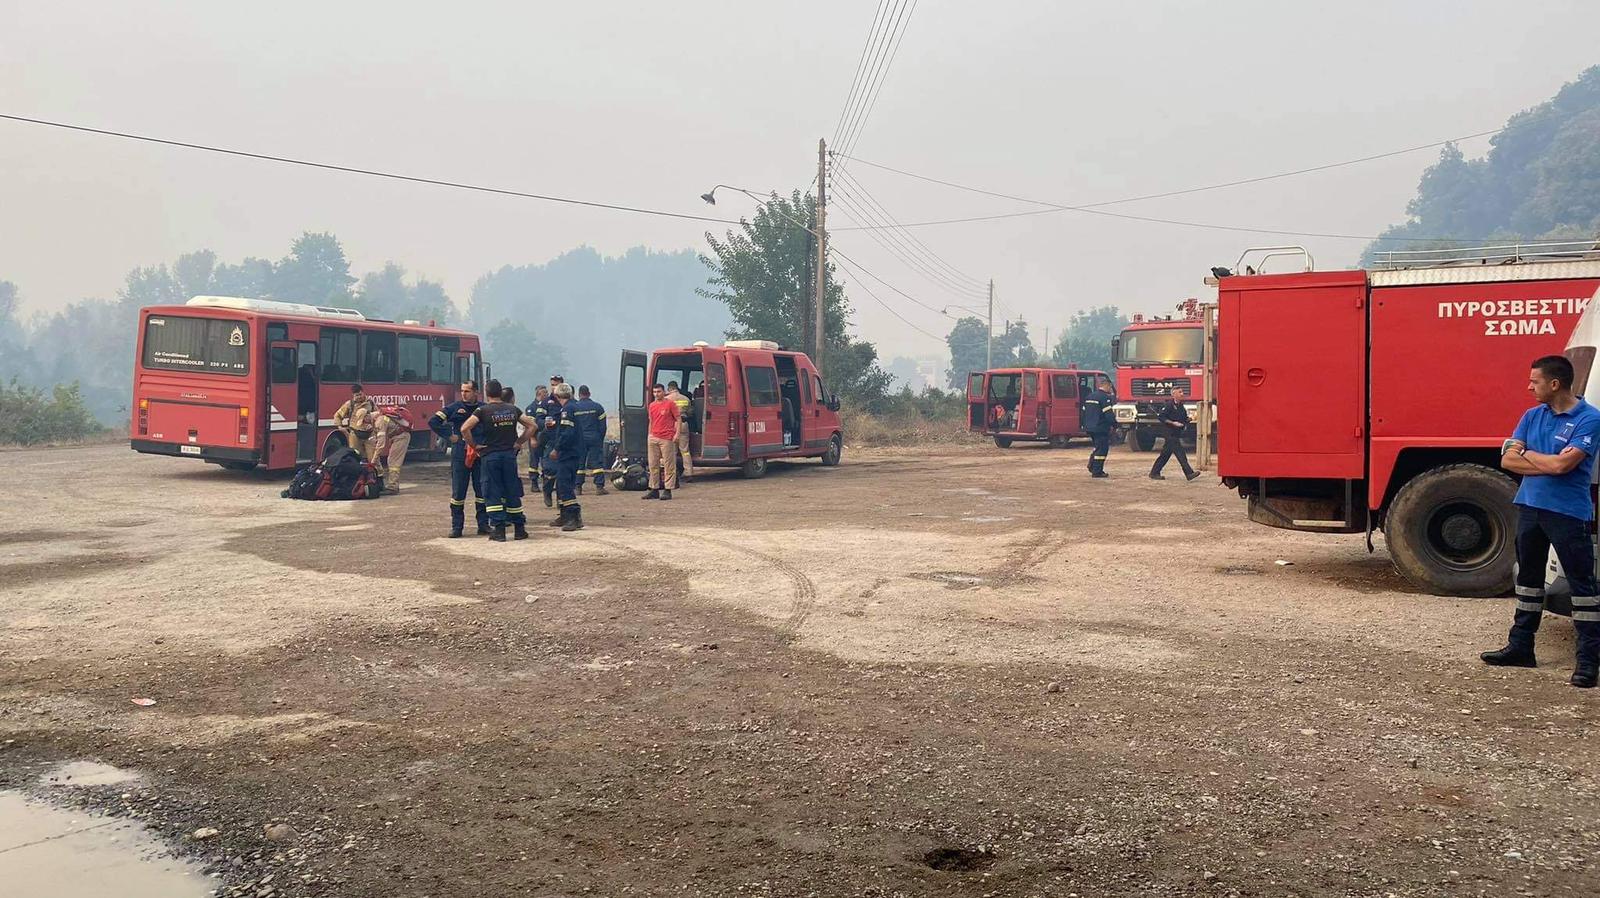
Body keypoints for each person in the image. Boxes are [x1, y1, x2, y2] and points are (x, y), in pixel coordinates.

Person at [1482, 355, 1600, 688]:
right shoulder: (1532, 416)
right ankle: (1521, 648)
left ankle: (1588, 662)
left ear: (1555, 384)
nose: (1528, 386)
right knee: (1529, 583)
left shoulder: (1589, 419)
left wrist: (1528, 455)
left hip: (1567, 512)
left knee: (1582, 588)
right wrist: (1544, 461)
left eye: (1534, 381)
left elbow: (1564, 467)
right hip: (1530, 507)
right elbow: (1507, 459)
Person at [460, 379, 537, 542]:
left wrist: (474, 445)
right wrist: (519, 442)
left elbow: (464, 428)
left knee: (492, 491)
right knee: (511, 490)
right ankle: (520, 529)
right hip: (509, 456)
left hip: (490, 456)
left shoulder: (482, 411)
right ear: (500, 392)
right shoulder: (513, 409)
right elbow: (532, 426)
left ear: (487, 393)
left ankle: (499, 530)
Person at [429, 381, 489, 537]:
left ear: (476, 392)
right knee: (458, 492)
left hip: (479, 452)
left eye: (468, 391)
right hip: (460, 453)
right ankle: (457, 527)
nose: (464, 394)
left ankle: (483, 525)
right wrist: (449, 436)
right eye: (462, 391)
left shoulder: (483, 408)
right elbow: (433, 422)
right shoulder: (453, 408)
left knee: (481, 491)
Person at [546, 383, 585, 531]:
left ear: (557, 396)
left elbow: (567, 433)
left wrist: (557, 448)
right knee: (562, 484)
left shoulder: (567, 409)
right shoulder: (574, 407)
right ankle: (564, 515)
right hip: (575, 452)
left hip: (568, 453)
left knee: (564, 485)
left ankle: (573, 517)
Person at [1149, 387, 1201, 482]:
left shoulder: (1181, 406)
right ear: (1174, 394)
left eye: (1182, 391)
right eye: (1180, 392)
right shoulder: (1169, 405)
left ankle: (1154, 472)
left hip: (1176, 433)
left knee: (1165, 455)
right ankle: (1189, 473)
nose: (1182, 394)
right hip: (1169, 433)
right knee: (1180, 453)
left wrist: (1190, 419)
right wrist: (1173, 423)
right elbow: (1161, 417)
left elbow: (1184, 419)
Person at [569, 385, 609, 495]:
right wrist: (600, 438)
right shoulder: (598, 407)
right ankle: (599, 487)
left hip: (580, 440)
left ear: (579, 394)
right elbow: (603, 426)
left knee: (579, 463)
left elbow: (571, 425)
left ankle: (578, 488)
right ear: (589, 393)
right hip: (594, 438)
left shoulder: (574, 408)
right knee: (597, 462)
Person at [643, 383, 680, 500]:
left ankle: (667, 489)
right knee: (653, 464)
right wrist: (649, 434)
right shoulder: (652, 405)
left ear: (664, 392)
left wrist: (677, 434)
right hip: (653, 437)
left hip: (666, 438)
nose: (656, 394)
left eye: (658, 391)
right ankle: (654, 489)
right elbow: (651, 420)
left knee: (669, 465)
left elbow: (678, 419)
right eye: (654, 392)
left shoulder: (670, 404)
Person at [369, 404, 413, 491]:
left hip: (401, 437)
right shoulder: (379, 417)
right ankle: (392, 485)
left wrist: (373, 461)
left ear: (367, 418)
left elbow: (381, 444)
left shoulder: (380, 421)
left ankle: (393, 486)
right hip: (397, 436)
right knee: (392, 460)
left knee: (393, 461)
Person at [1082, 375, 1116, 478]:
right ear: (1107, 386)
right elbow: (1108, 414)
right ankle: (1097, 471)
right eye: (1110, 388)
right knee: (1102, 450)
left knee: (1097, 446)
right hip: (1100, 427)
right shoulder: (1105, 398)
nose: (1110, 390)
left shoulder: (1090, 396)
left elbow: (1083, 412)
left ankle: (1092, 465)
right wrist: (1115, 425)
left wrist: (1084, 424)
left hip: (1090, 427)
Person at [333, 385, 377, 460]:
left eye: (360, 394)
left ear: (363, 392)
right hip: (355, 435)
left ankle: (376, 471)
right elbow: (337, 415)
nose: (359, 397)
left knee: (373, 458)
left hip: (370, 434)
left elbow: (377, 414)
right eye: (357, 395)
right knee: (355, 456)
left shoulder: (370, 403)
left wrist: (373, 425)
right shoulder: (349, 404)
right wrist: (340, 427)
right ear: (353, 395)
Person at [666, 380, 694, 484]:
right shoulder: (685, 398)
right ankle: (689, 473)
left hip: (672, 425)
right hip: (683, 424)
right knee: (685, 450)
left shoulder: (666, 399)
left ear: (669, 388)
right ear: (677, 387)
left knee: (672, 451)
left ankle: (672, 473)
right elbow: (691, 413)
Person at [525, 385, 550, 495]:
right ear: (539, 394)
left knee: (546, 460)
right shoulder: (531, 408)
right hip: (535, 437)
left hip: (546, 438)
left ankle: (547, 482)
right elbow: (529, 426)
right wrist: (532, 439)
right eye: (545, 393)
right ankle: (534, 483)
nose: (547, 395)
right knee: (534, 461)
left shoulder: (547, 406)